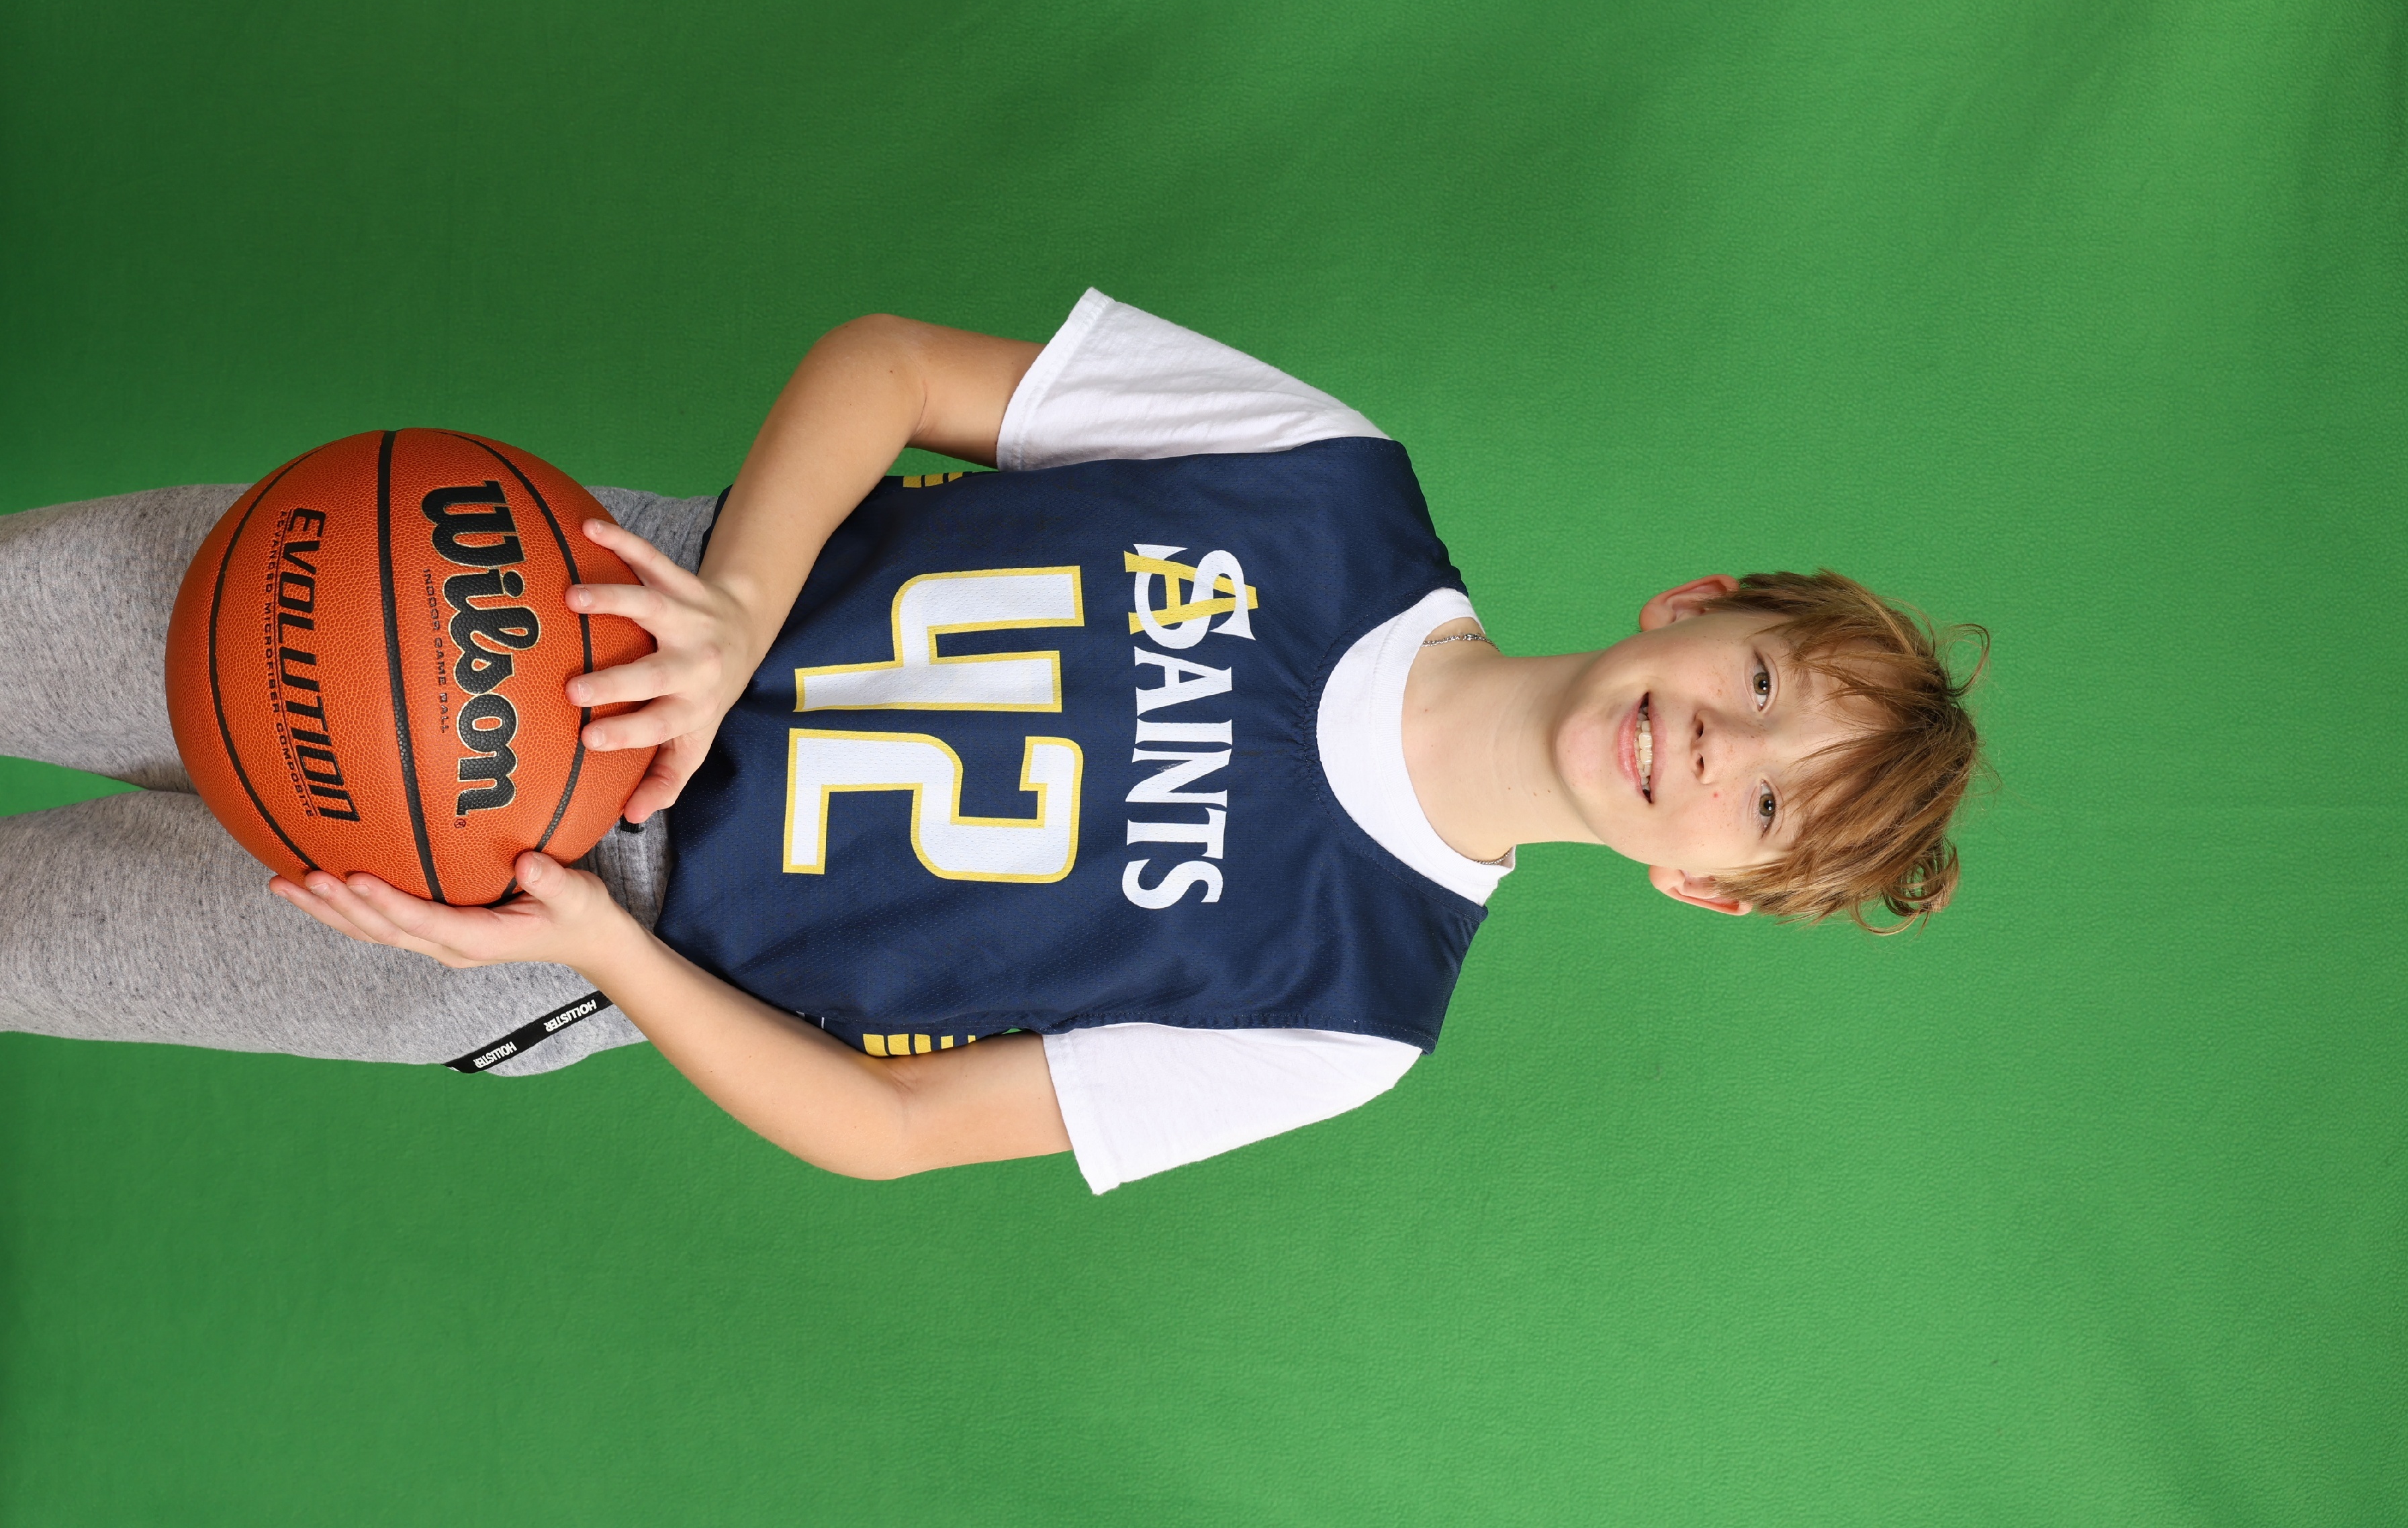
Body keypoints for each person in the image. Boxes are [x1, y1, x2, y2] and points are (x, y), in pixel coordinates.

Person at [0, 291, 1984, 1193]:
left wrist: (595, 950)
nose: (1707, 744)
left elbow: (897, 1133)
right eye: (1755, 684)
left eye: (1760, 800)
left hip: (524, 923)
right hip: (525, 606)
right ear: (1695, 605)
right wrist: (734, 613)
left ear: (1711, 888)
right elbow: (889, 365)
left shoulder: (1350, 1015)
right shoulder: (1326, 478)